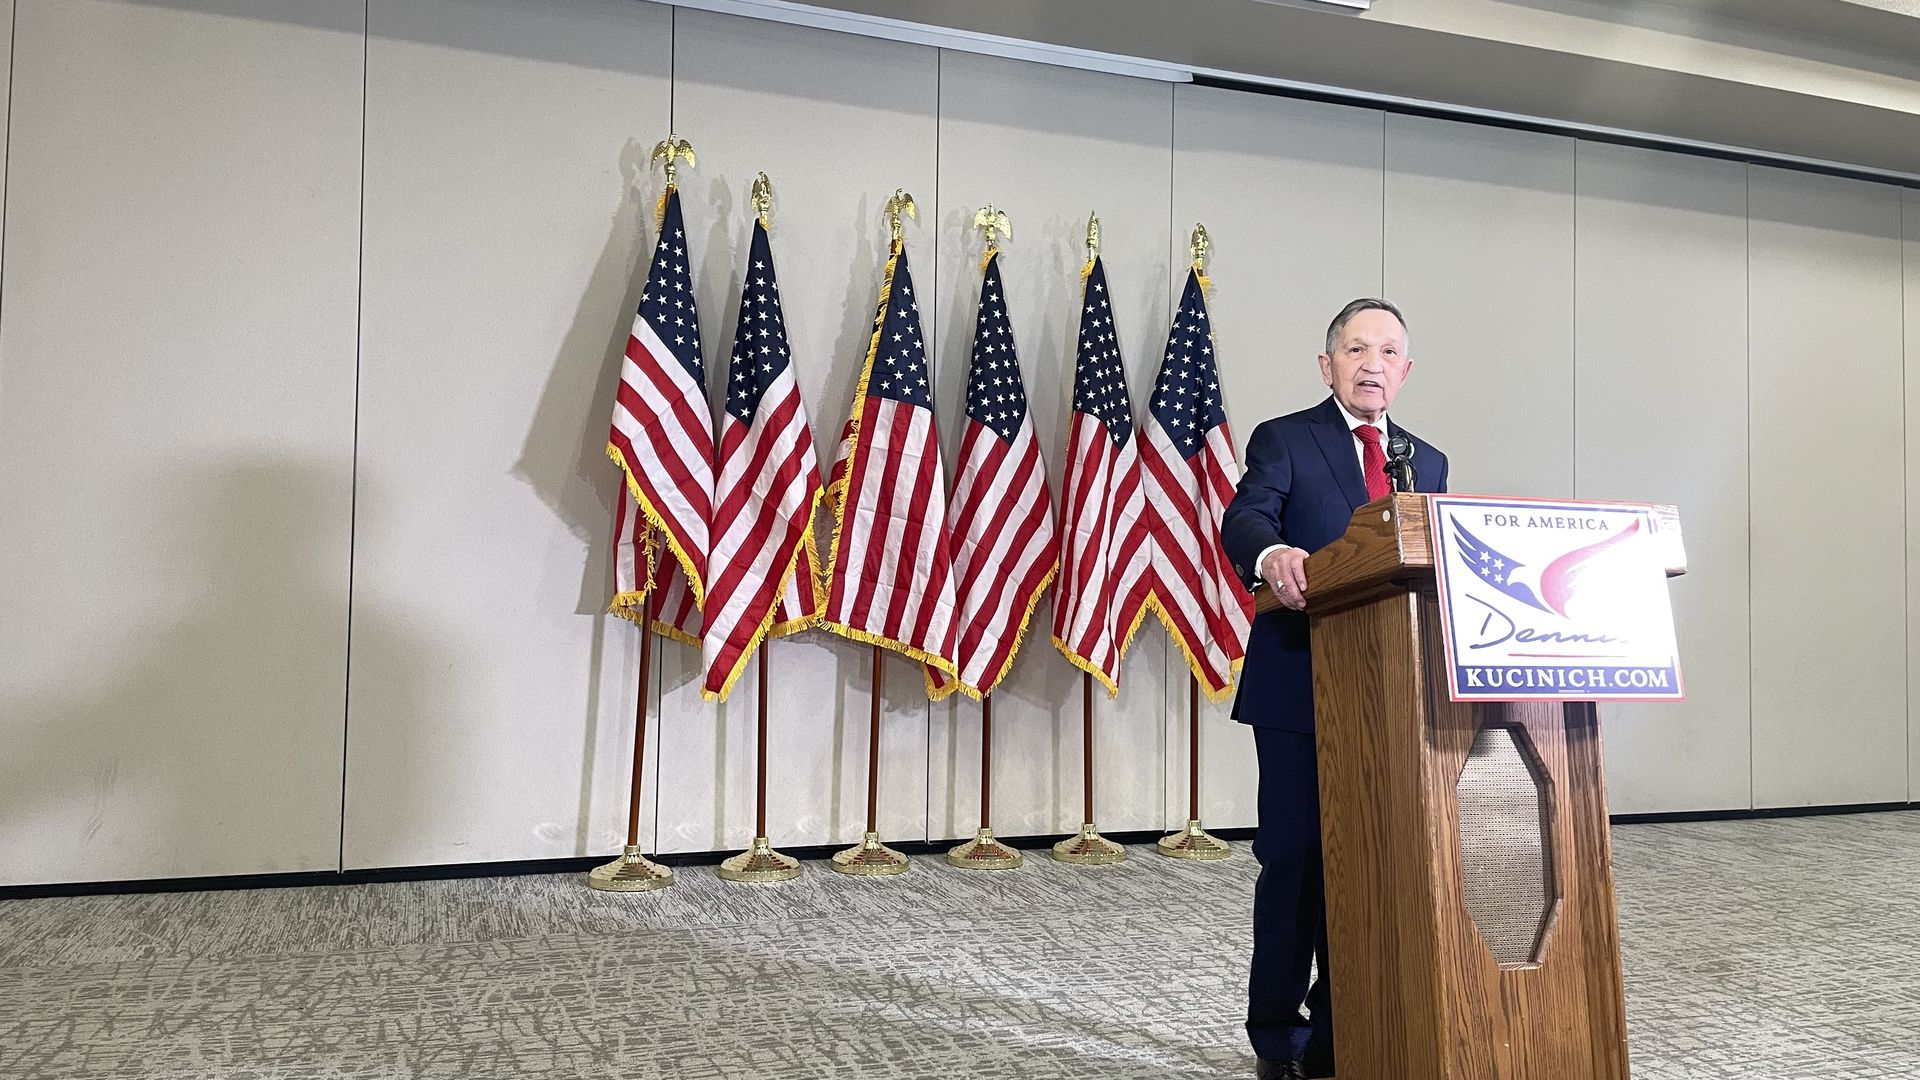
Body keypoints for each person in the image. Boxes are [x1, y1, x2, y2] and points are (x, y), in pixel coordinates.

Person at [1221, 298, 1448, 1080]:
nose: (1373, 364)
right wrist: (1275, 553)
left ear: (1406, 371)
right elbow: (1244, 516)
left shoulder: (1429, 463)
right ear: (1329, 364)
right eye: (1357, 349)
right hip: (1298, 686)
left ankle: (1341, 1035)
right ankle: (1277, 1037)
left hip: (1396, 692)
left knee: (1376, 864)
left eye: (1388, 352)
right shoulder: (1286, 438)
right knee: (1298, 860)